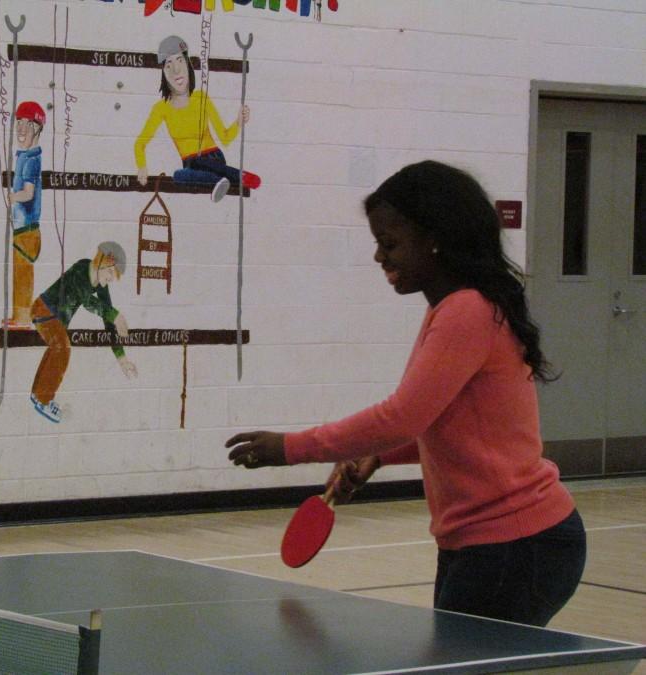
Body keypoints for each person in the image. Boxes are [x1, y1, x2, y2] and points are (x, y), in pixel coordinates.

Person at [226, 160, 586, 627]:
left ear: (434, 238)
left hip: (515, 545)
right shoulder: (456, 308)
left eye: (390, 243)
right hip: (488, 544)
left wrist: (291, 447)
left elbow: (400, 418)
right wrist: (377, 457)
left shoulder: (466, 312)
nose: (380, 257)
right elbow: (451, 427)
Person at [134, 35, 261, 203]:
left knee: (201, 162)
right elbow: (140, 143)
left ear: (188, 65)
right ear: (163, 73)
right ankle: (222, 181)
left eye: (180, 61)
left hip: (213, 158)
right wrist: (142, 166)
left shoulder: (201, 97)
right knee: (180, 175)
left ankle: (237, 176)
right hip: (191, 165)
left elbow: (225, 137)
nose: (176, 71)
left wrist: (238, 122)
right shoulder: (161, 108)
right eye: (168, 65)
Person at [30, 241, 138, 423]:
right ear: (101, 261)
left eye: (115, 275)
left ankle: (38, 395)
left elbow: (107, 320)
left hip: (56, 320)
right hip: (44, 310)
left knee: (57, 347)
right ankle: (43, 399)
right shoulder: (81, 269)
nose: (111, 278)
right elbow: (87, 301)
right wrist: (115, 315)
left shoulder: (101, 285)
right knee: (62, 348)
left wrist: (122, 358)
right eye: (111, 272)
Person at [5, 101, 45, 330]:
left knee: (23, 276)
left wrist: (13, 197)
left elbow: (28, 194)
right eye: (18, 122)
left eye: (27, 124)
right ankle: (18, 315)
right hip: (23, 229)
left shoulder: (31, 159)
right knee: (19, 273)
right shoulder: (23, 155)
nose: (21, 129)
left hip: (27, 230)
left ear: (38, 128)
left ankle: (22, 319)